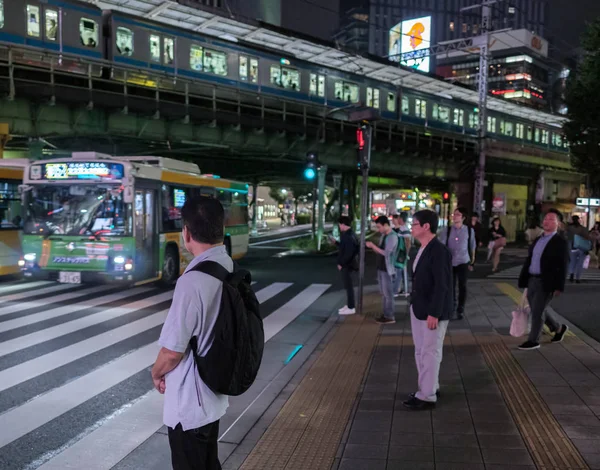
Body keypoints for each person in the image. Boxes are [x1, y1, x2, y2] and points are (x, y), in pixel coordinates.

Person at [151, 196, 231, 470]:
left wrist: (156, 372)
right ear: (222, 228)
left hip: (190, 402)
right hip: (212, 392)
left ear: (186, 232)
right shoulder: (226, 266)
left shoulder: (192, 281)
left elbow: (173, 351)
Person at [403, 210, 453, 410]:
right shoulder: (423, 248)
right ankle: (429, 387)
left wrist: (435, 312)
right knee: (422, 351)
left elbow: (442, 285)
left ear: (426, 226)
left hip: (432, 311)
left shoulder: (439, 251)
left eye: (414, 224)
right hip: (419, 307)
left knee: (429, 352)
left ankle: (427, 395)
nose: (411, 227)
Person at [517, 209, 570, 351]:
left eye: (551, 219)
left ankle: (533, 340)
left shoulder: (560, 242)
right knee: (536, 308)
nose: (547, 221)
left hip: (546, 282)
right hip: (532, 279)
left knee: (537, 311)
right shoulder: (539, 239)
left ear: (558, 224)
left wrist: (559, 286)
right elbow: (530, 260)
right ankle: (558, 328)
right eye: (546, 219)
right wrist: (525, 278)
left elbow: (563, 265)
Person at [439, 207, 476, 320]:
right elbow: (442, 245)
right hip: (450, 262)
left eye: (457, 214)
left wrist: (472, 261)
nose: (455, 216)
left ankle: (461, 309)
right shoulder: (447, 230)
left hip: (463, 261)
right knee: (450, 286)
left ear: (463, 217)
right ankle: (452, 307)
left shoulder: (469, 230)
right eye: (454, 214)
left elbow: (472, 246)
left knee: (462, 286)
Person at [366, 216, 398, 325]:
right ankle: (385, 314)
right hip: (381, 268)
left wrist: (373, 246)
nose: (378, 229)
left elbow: (386, 253)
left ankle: (389, 316)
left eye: (379, 227)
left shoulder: (392, 237)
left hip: (388, 269)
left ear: (385, 225)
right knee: (384, 293)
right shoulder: (384, 236)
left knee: (388, 294)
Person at [335, 216, 358, 315]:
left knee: (348, 286)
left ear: (343, 224)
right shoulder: (350, 234)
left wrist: (341, 263)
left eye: (340, 224)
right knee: (348, 286)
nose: (339, 226)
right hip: (349, 264)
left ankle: (351, 307)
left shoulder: (347, 236)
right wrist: (336, 243)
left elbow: (348, 252)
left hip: (347, 264)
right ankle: (349, 305)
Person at [392, 212, 412, 295]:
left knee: (399, 272)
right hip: (401, 253)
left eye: (399, 218)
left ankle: (396, 291)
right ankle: (405, 289)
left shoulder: (404, 229)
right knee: (401, 271)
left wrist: (406, 254)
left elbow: (408, 243)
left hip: (401, 253)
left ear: (401, 219)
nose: (398, 219)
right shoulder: (403, 228)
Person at [567, 215, 590, 283]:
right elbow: (587, 238)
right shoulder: (583, 228)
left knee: (572, 262)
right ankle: (578, 278)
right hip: (582, 247)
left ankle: (571, 273)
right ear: (578, 220)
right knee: (580, 263)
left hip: (572, 247)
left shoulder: (569, 228)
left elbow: (567, 238)